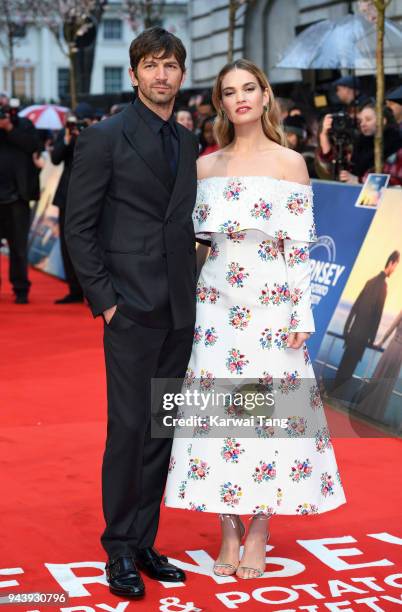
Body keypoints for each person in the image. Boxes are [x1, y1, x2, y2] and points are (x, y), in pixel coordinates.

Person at [164, 58, 346, 580]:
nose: (240, 98)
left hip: (272, 310)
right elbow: (195, 248)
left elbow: (299, 251)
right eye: (229, 91)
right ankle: (227, 529)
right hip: (216, 309)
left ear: (265, 97)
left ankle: (260, 529)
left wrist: (300, 312)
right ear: (219, 103)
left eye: (249, 88)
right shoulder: (204, 167)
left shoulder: (290, 164)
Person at [65, 27, 199, 599]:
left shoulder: (190, 141)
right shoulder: (105, 138)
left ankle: (145, 539)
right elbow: (78, 227)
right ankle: (119, 547)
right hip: (131, 310)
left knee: (161, 430)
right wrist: (106, 303)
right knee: (127, 429)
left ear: (181, 75)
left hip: (179, 309)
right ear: (136, 72)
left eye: (171, 66)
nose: (161, 75)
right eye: (152, 65)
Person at [332, 251, 400, 394]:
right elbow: (377, 317)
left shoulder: (370, 281)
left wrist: (346, 330)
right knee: (348, 372)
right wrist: (372, 340)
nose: (395, 270)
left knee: (342, 367)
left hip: (352, 335)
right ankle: (335, 396)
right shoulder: (383, 287)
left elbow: (354, 308)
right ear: (391, 263)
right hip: (362, 339)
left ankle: (330, 394)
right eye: (396, 266)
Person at [52, 104, 95, 304]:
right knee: (66, 245)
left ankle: (92, 292)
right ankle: (74, 290)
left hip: (90, 196)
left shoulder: (96, 133)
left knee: (90, 245)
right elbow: (55, 158)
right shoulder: (65, 133)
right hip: (65, 195)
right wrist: (67, 139)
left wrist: (85, 134)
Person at [0, 96, 41, 303]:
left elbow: (34, 145)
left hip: (18, 197)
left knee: (18, 247)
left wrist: (9, 129)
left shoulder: (23, 125)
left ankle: (21, 289)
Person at [315, 102, 402, 185]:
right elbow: (333, 167)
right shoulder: (359, 144)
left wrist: (359, 180)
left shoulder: (396, 146)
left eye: (368, 119)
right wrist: (324, 135)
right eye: (361, 121)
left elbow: (395, 180)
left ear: (383, 121)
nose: (363, 124)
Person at [355, 309, 402, 426]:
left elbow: (391, 328)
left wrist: (381, 342)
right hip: (399, 354)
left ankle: (365, 408)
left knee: (380, 374)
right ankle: (376, 414)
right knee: (387, 382)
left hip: (393, 347)